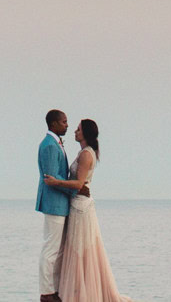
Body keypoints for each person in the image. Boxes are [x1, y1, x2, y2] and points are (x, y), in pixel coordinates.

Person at [44, 118, 134, 302]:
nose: (74, 131)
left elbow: (78, 184)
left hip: (81, 207)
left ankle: (81, 294)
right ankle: (78, 290)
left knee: (79, 250)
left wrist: (55, 182)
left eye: (78, 129)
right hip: (77, 203)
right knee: (76, 249)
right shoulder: (84, 152)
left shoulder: (86, 154)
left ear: (86, 133)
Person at [35, 109, 76, 302]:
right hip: (54, 202)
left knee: (57, 250)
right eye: (64, 122)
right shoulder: (50, 145)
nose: (67, 125)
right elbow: (52, 177)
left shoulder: (54, 143)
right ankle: (46, 292)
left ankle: (55, 288)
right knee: (51, 248)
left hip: (59, 202)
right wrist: (75, 189)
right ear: (53, 124)